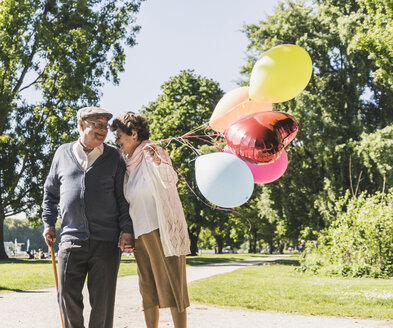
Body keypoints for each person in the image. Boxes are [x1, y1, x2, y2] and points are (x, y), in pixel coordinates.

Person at [42, 106, 134, 328]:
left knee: (103, 302)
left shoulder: (114, 156)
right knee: (66, 296)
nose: (103, 131)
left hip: (106, 241)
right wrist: (48, 223)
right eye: (98, 125)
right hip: (70, 238)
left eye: (105, 126)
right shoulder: (62, 153)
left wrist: (127, 230)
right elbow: (50, 192)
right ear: (81, 125)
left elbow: (123, 197)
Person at [111, 111, 190, 328]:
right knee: (148, 290)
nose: (116, 141)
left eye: (119, 136)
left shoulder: (152, 151)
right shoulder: (128, 166)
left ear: (133, 134)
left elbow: (170, 178)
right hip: (141, 235)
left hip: (161, 230)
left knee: (173, 286)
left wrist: (158, 161)